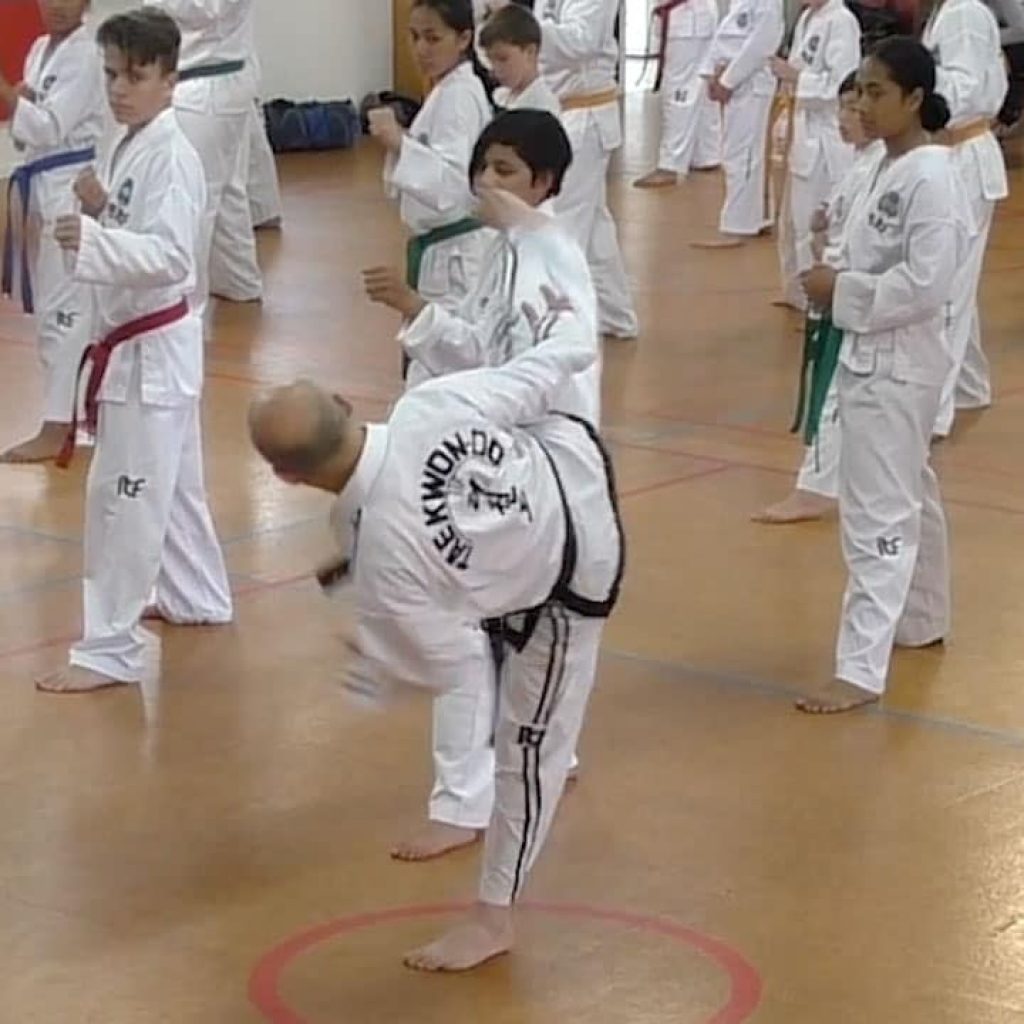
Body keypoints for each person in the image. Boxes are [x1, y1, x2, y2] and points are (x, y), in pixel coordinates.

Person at [250, 205, 623, 974]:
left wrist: (380, 658)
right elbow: (550, 365)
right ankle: (545, 232)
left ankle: (494, 919)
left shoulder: (383, 566)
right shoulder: (430, 403)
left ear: (285, 478)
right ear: (349, 407)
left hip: (574, 579)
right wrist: (550, 264)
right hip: (573, 453)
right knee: (537, 377)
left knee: (525, 750)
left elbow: (453, 670)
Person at [364, 111, 596, 863]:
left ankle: (463, 799)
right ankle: (537, 755)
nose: (488, 184)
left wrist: (454, 417)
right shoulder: (509, 252)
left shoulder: (551, 255)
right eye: (484, 168)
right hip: (517, 465)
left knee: (462, 618)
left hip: (541, 471)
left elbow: (540, 371)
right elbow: (483, 353)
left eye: (507, 172)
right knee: (514, 627)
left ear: (545, 183)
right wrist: (419, 311)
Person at [36, 7, 233, 695]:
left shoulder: (172, 154)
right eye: (113, 74)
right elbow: (140, 230)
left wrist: (91, 240)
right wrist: (102, 208)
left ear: (171, 79)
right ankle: (198, 595)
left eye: (137, 75)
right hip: (149, 349)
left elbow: (173, 255)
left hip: (149, 352)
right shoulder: (131, 141)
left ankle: (108, 650)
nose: (120, 89)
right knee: (175, 489)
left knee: (123, 502)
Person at [797, 37, 971, 714]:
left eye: (876, 93)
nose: (861, 104)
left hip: (898, 361)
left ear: (915, 100)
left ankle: (860, 668)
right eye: (858, 90)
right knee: (910, 490)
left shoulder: (934, 177)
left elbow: (928, 283)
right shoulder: (881, 164)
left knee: (878, 513)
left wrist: (839, 291)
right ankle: (923, 617)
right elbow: (856, 239)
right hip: (870, 352)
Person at [754, 73, 883, 525]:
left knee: (838, 396)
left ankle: (817, 487)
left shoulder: (888, 166)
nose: (849, 117)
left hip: (860, 301)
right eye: (845, 107)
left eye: (858, 105)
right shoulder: (862, 164)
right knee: (846, 400)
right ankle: (829, 481)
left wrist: (836, 271)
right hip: (844, 296)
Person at [488, 0, 639, 339]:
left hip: (585, 115)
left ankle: (553, 326)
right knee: (595, 227)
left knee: (563, 223)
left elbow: (581, 41)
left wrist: (519, 23)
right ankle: (617, 316)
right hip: (565, 110)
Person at [0, 0, 106, 464]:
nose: (58, 6)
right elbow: (26, 133)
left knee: (64, 308)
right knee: (52, 307)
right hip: (41, 182)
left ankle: (58, 424)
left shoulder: (88, 52)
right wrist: (18, 97)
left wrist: (7, 95)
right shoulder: (40, 48)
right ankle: (74, 414)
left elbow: (48, 127)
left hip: (70, 187)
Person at [368, 0, 495, 388]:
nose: (421, 49)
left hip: (457, 256)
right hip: (442, 250)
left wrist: (398, 142)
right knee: (432, 360)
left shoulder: (459, 97)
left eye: (433, 38)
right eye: (414, 37)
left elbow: (454, 184)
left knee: (443, 367)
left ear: (464, 39)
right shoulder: (448, 90)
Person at [922, 0, 1009, 438]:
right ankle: (970, 385)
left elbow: (967, 88)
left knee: (947, 287)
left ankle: (933, 409)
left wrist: (920, 110)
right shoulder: (948, 12)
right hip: (953, 152)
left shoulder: (964, 14)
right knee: (958, 277)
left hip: (964, 153)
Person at [149, 0, 263, 322]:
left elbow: (209, 7)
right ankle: (239, 281)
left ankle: (186, 308)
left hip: (209, 82)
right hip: (216, 76)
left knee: (196, 196)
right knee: (225, 189)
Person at [771, 0, 861, 309]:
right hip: (801, 126)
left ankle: (818, 299)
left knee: (815, 221)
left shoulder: (842, 21)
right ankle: (795, 291)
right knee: (792, 220)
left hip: (826, 136)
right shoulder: (809, 17)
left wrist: (796, 78)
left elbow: (842, 85)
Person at [694, 0, 785, 248]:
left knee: (743, 155)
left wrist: (728, 80)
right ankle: (756, 216)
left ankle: (740, 224)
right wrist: (712, 74)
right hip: (732, 81)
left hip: (751, 83)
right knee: (736, 151)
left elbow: (760, 46)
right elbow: (723, 39)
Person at [633, 0, 722, 188]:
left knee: (678, 91)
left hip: (687, 22)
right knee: (701, 84)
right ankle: (707, 154)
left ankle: (669, 165)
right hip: (696, 19)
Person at [479, 3, 561, 115]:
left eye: (503, 59)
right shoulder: (498, 98)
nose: (495, 68)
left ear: (530, 52)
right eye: (490, 60)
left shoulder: (543, 108)